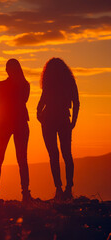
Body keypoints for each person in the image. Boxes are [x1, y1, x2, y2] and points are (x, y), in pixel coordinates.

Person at [37, 57, 79, 201]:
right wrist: (73, 121)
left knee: (55, 156)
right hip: (61, 120)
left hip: (51, 121)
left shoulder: (50, 84)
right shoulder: (69, 83)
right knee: (65, 154)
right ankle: (66, 189)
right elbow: (77, 103)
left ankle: (60, 189)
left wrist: (39, 116)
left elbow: (40, 105)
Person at [0, 59, 33, 202]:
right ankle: (25, 192)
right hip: (20, 122)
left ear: (7, 70)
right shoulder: (25, 85)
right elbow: (23, 99)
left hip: (4, 122)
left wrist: (6, 98)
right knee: (22, 158)